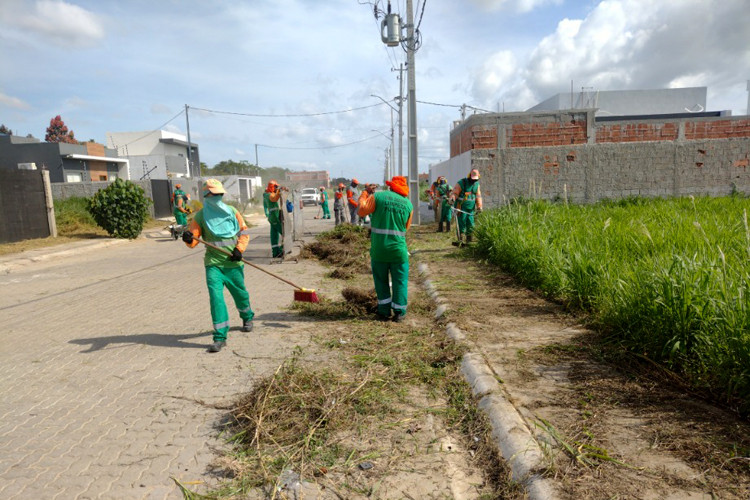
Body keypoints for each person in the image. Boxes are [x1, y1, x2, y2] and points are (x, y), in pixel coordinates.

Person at [181, 179, 254, 353]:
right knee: (216, 299)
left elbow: (244, 233)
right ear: (207, 195)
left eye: (219, 194)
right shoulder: (200, 216)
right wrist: (188, 238)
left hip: (233, 263)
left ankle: (247, 316)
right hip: (213, 264)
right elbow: (194, 240)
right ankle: (220, 337)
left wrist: (239, 249)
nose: (217, 197)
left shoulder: (232, 212)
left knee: (240, 293)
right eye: (213, 194)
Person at [357, 177, 413, 322]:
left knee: (381, 280)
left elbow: (362, 211)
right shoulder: (408, 205)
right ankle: (399, 313)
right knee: (400, 281)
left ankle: (383, 311)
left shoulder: (378, 197)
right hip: (398, 251)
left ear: (391, 187)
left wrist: (365, 194)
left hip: (379, 250)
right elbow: (405, 228)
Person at [450, 168, 483, 244]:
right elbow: (455, 193)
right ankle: (460, 240)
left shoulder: (476, 185)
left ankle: (469, 240)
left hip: (471, 209)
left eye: (476, 179)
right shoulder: (461, 183)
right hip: (461, 207)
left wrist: (479, 206)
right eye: (473, 179)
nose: (474, 180)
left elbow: (478, 196)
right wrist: (452, 198)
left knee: (471, 224)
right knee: (461, 223)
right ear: (469, 176)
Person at [263, 180, 285, 258]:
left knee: (274, 235)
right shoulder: (268, 195)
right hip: (274, 217)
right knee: (284, 232)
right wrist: (279, 191)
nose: (276, 188)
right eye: (275, 187)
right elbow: (274, 198)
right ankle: (282, 249)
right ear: (272, 187)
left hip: (273, 216)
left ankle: (276, 252)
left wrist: (282, 190)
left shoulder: (267, 194)